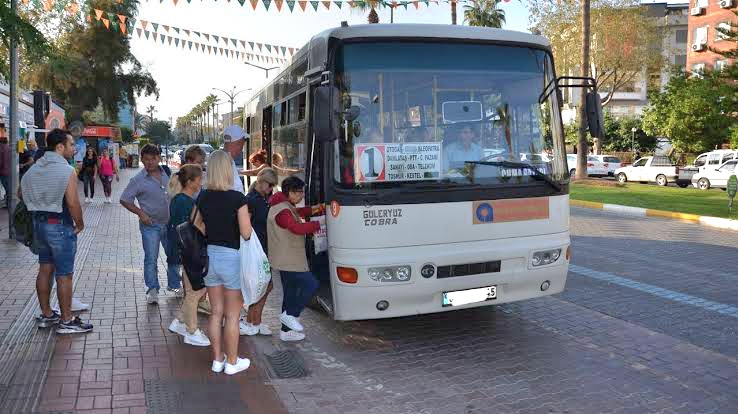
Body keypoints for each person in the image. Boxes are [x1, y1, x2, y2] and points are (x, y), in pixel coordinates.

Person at [20, 129, 93, 334]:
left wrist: (37, 201)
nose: (73, 148)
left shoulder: (34, 169)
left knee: (45, 268)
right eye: (70, 145)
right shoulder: (66, 170)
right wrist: (79, 223)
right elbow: (72, 202)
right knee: (64, 274)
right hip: (59, 224)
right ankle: (67, 320)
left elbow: (20, 193)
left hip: (38, 223)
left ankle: (46, 314)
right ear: (60, 146)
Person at [194, 150, 252, 375]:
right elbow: (246, 233)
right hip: (231, 258)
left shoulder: (204, 196)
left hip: (210, 256)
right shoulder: (237, 198)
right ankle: (232, 362)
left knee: (215, 312)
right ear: (228, 170)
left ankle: (217, 359)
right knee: (232, 315)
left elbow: (196, 225)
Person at [120, 144, 181, 305]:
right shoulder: (138, 180)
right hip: (150, 226)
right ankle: (152, 290)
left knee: (174, 257)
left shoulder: (168, 173)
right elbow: (124, 199)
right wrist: (141, 213)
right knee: (151, 258)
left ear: (158, 158)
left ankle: (174, 286)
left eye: (152, 159)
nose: (149, 162)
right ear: (142, 160)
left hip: (170, 224)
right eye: (145, 159)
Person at [267, 176, 321, 342]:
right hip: (289, 259)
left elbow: (297, 213)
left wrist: (316, 209)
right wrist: (317, 225)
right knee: (311, 285)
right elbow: (295, 227)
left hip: (285, 258)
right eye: (299, 193)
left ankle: (286, 331)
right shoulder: (283, 210)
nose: (302, 196)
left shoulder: (282, 205)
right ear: (290, 192)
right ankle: (291, 315)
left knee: (290, 293)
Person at [166, 164, 211, 347]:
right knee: (196, 292)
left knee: (194, 290)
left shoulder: (179, 199)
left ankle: (179, 322)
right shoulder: (188, 202)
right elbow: (197, 228)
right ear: (191, 181)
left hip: (185, 252)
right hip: (191, 251)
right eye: (199, 179)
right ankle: (191, 330)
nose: (201, 182)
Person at [240, 167, 278, 336]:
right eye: (270, 185)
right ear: (261, 181)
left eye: (273, 186)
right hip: (256, 249)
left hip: (264, 248)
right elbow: (245, 228)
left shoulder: (264, 198)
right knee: (261, 285)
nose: (272, 188)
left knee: (265, 285)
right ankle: (251, 320)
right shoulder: (251, 200)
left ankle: (255, 320)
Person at [222, 125, 248, 193]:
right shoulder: (225, 161)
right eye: (242, 145)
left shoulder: (226, 159)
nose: (241, 148)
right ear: (237, 143)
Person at [0, 136, 10, 209]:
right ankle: (8, 203)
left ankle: (7, 203)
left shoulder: (1, 149)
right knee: (8, 188)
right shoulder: (9, 148)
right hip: (9, 172)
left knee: (6, 188)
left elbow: (0, 161)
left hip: (3, 171)